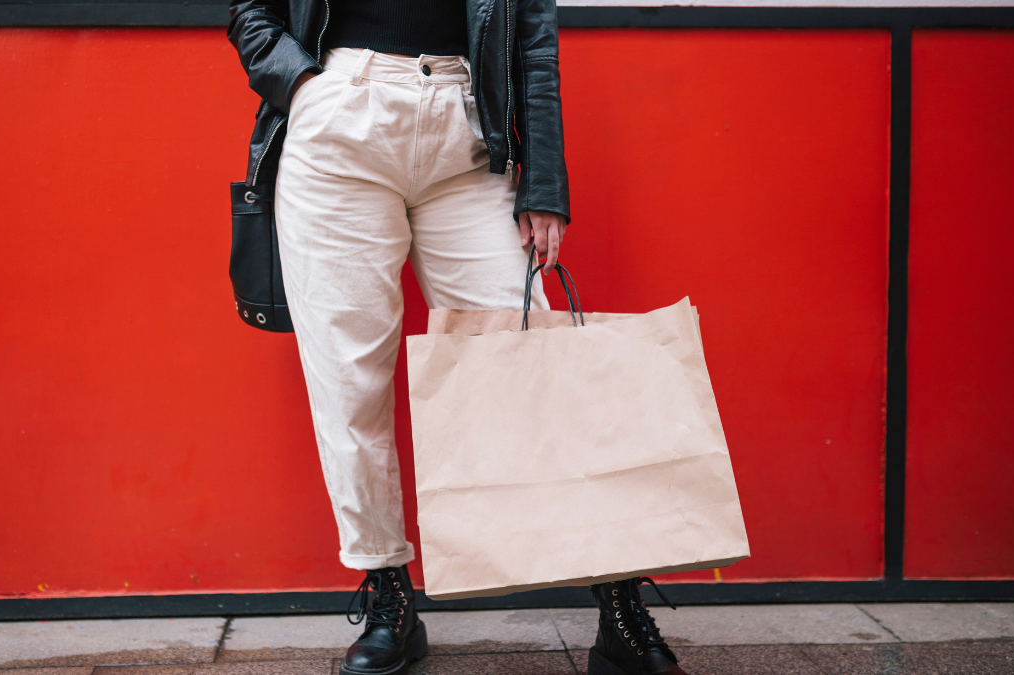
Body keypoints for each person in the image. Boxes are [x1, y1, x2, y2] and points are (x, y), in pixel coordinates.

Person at [228, 1, 687, 674]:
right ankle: (390, 594)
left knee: (530, 365)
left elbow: (531, 36)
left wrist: (546, 183)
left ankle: (616, 598)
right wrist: (304, 85)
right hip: (337, 121)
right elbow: (251, 10)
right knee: (350, 385)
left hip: (467, 126)